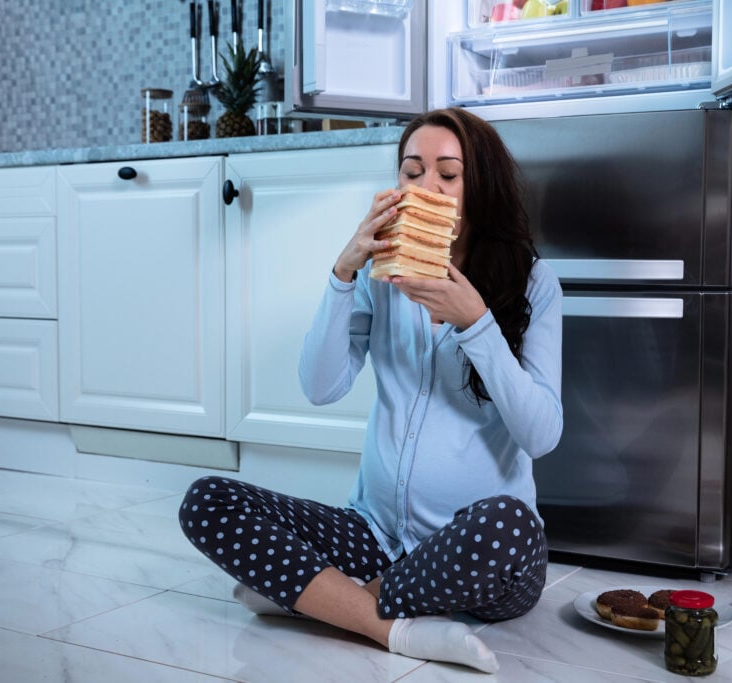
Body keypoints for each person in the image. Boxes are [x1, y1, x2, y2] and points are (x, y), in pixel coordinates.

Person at [179, 107, 563, 674]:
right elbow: (320, 386)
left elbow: (542, 435)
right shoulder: (379, 277)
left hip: (478, 551)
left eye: (447, 174)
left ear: (480, 186)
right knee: (208, 501)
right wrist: (343, 271)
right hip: (377, 536)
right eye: (411, 172)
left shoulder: (534, 282)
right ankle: (391, 629)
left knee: (509, 524)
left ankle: (317, 600)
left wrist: (476, 323)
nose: (425, 186)